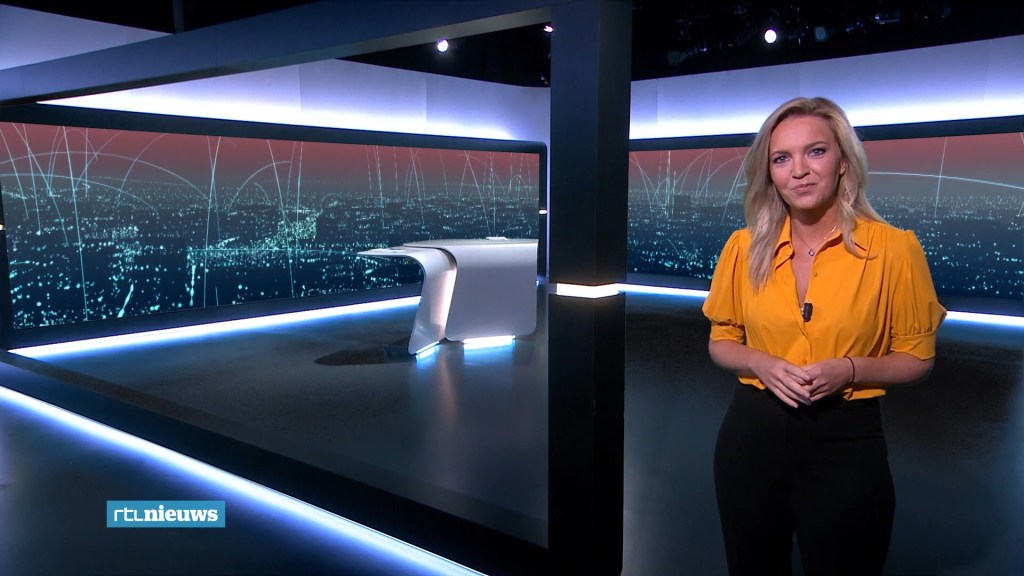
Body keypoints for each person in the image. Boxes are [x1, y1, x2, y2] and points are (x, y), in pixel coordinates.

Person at [702, 96, 946, 575]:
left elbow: (917, 358)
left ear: (843, 162)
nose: (799, 171)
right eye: (781, 158)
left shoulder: (894, 250)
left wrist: (849, 370)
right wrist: (760, 362)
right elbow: (720, 341)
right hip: (751, 436)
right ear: (769, 172)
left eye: (815, 152)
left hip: (845, 440)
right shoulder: (743, 248)